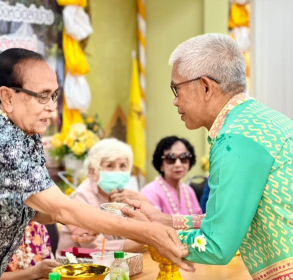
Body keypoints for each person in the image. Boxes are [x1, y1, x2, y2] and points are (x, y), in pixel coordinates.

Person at [0, 48, 193, 280]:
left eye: (54, 96)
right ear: (8, 97)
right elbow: (59, 207)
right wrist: (150, 232)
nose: (51, 106)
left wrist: (92, 218)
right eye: (42, 96)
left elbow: (38, 212)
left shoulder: (25, 136)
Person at [123, 33, 293, 280]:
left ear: (205, 86)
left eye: (176, 88)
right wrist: (162, 220)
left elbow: (216, 245)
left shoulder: (235, 138)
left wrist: (149, 233)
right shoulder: (262, 122)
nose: (174, 100)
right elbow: (230, 216)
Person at [57, 138, 147, 255]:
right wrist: (147, 240)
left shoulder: (122, 195)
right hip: (78, 267)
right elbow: (98, 247)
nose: (117, 172)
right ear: (93, 171)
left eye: (123, 166)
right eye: (110, 166)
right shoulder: (81, 197)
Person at [140, 136, 202, 215]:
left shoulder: (189, 191)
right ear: (160, 165)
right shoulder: (149, 192)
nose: (178, 164)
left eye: (184, 157)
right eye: (170, 158)